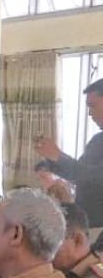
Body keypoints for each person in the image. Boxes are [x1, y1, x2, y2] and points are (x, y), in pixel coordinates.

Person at [36, 79, 103, 219]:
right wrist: (50, 164)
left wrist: (59, 156)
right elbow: (78, 173)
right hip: (86, 220)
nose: (90, 113)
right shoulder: (98, 140)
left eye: (93, 106)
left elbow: (97, 177)